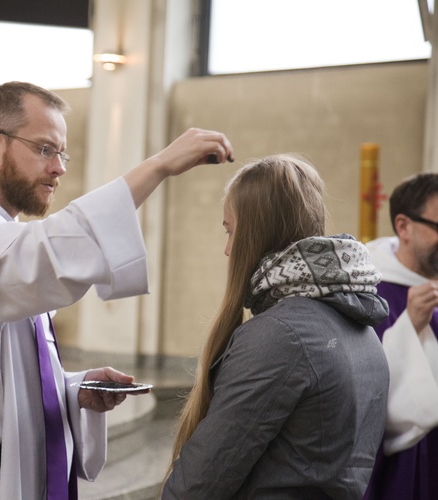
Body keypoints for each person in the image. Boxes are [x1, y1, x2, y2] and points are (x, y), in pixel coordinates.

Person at [0, 81, 235, 499]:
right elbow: (43, 258)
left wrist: (71, 389)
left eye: (62, 152)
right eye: (45, 149)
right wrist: (156, 166)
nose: (60, 167)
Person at [162, 154, 390, 499]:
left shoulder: (280, 335)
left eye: (230, 231)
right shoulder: (362, 326)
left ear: (255, 234)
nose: (227, 250)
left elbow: (200, 482)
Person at [363, 173, 438, 500]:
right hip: (408, 467)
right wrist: (409, 327)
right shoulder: (369, 294)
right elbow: (363, 388)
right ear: (403, 226)